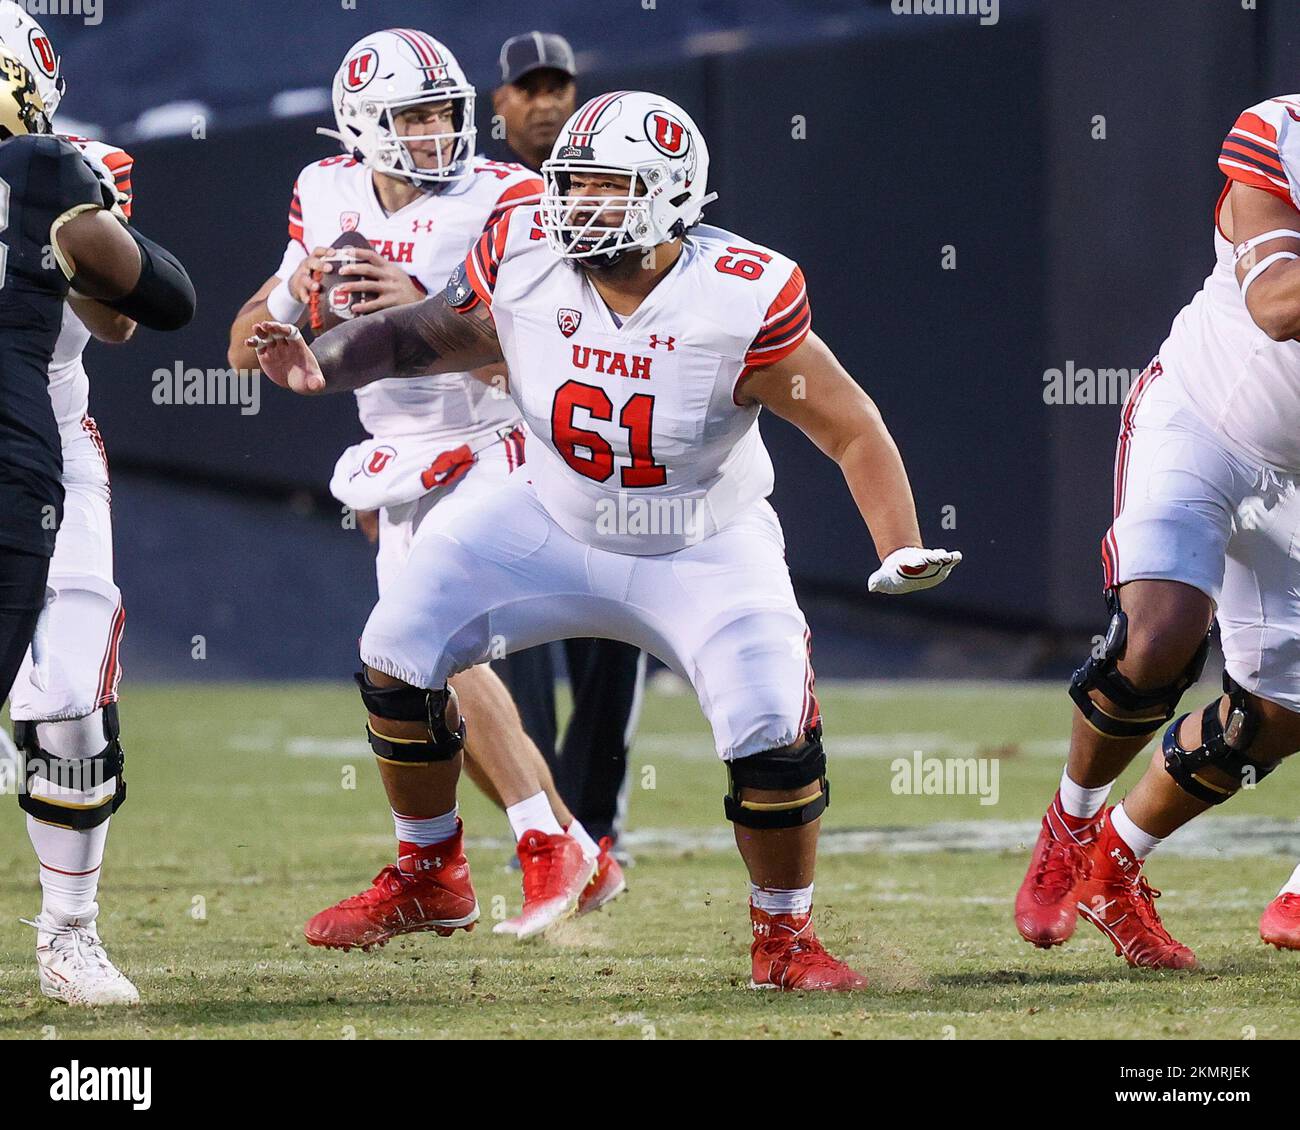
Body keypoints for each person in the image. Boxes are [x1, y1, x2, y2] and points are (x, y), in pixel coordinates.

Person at [250, 90, 961, 988]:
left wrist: (897, 545)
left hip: (698, 541)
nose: (575, 205)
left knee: (772, 731)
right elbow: (433, 332)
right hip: (547, 511)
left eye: (604, 187)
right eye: (571, 183)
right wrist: (330, 361)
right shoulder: (526, 250)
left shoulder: (739, 295)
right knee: (395, 644)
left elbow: (852, 427)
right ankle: (433, 873)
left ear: (670, 195)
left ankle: (784, 940)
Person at [227, 28, 624, 950]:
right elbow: (244, 341)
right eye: (414, 116)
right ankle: (570, 846)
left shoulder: (506, 197)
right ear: (362, 126)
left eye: (446, 112)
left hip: (502, 442)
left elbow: (551, 356)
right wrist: (293, 318)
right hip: (399, 462)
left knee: (427, 645)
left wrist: (426, 306)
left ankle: (519, 849)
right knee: (420, 673)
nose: (440, 131)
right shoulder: (324, 192)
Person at [1015, 93, 1300, 968]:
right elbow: (1278, 303)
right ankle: (1071, 821)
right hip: (1204, 422)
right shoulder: (1280, 131)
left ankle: (1117, 866)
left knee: (1277, 716)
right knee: (1162, 632)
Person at [0, 24, 195, 1007]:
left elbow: (121, 320)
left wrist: (56, 230)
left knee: (72, 697)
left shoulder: (71, 167)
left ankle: (68, 932)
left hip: (47, 441)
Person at [486, 29, 645, 857]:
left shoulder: (615, 184)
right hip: (501, 452)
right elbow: (442, 322)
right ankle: (550, 833)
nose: (547, 99)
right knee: (514, 649)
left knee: (614, 638)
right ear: (499, 101)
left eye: (560, 85)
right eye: (529, 86)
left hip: (607, 450)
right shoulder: (478, 196)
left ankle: (595, 823)